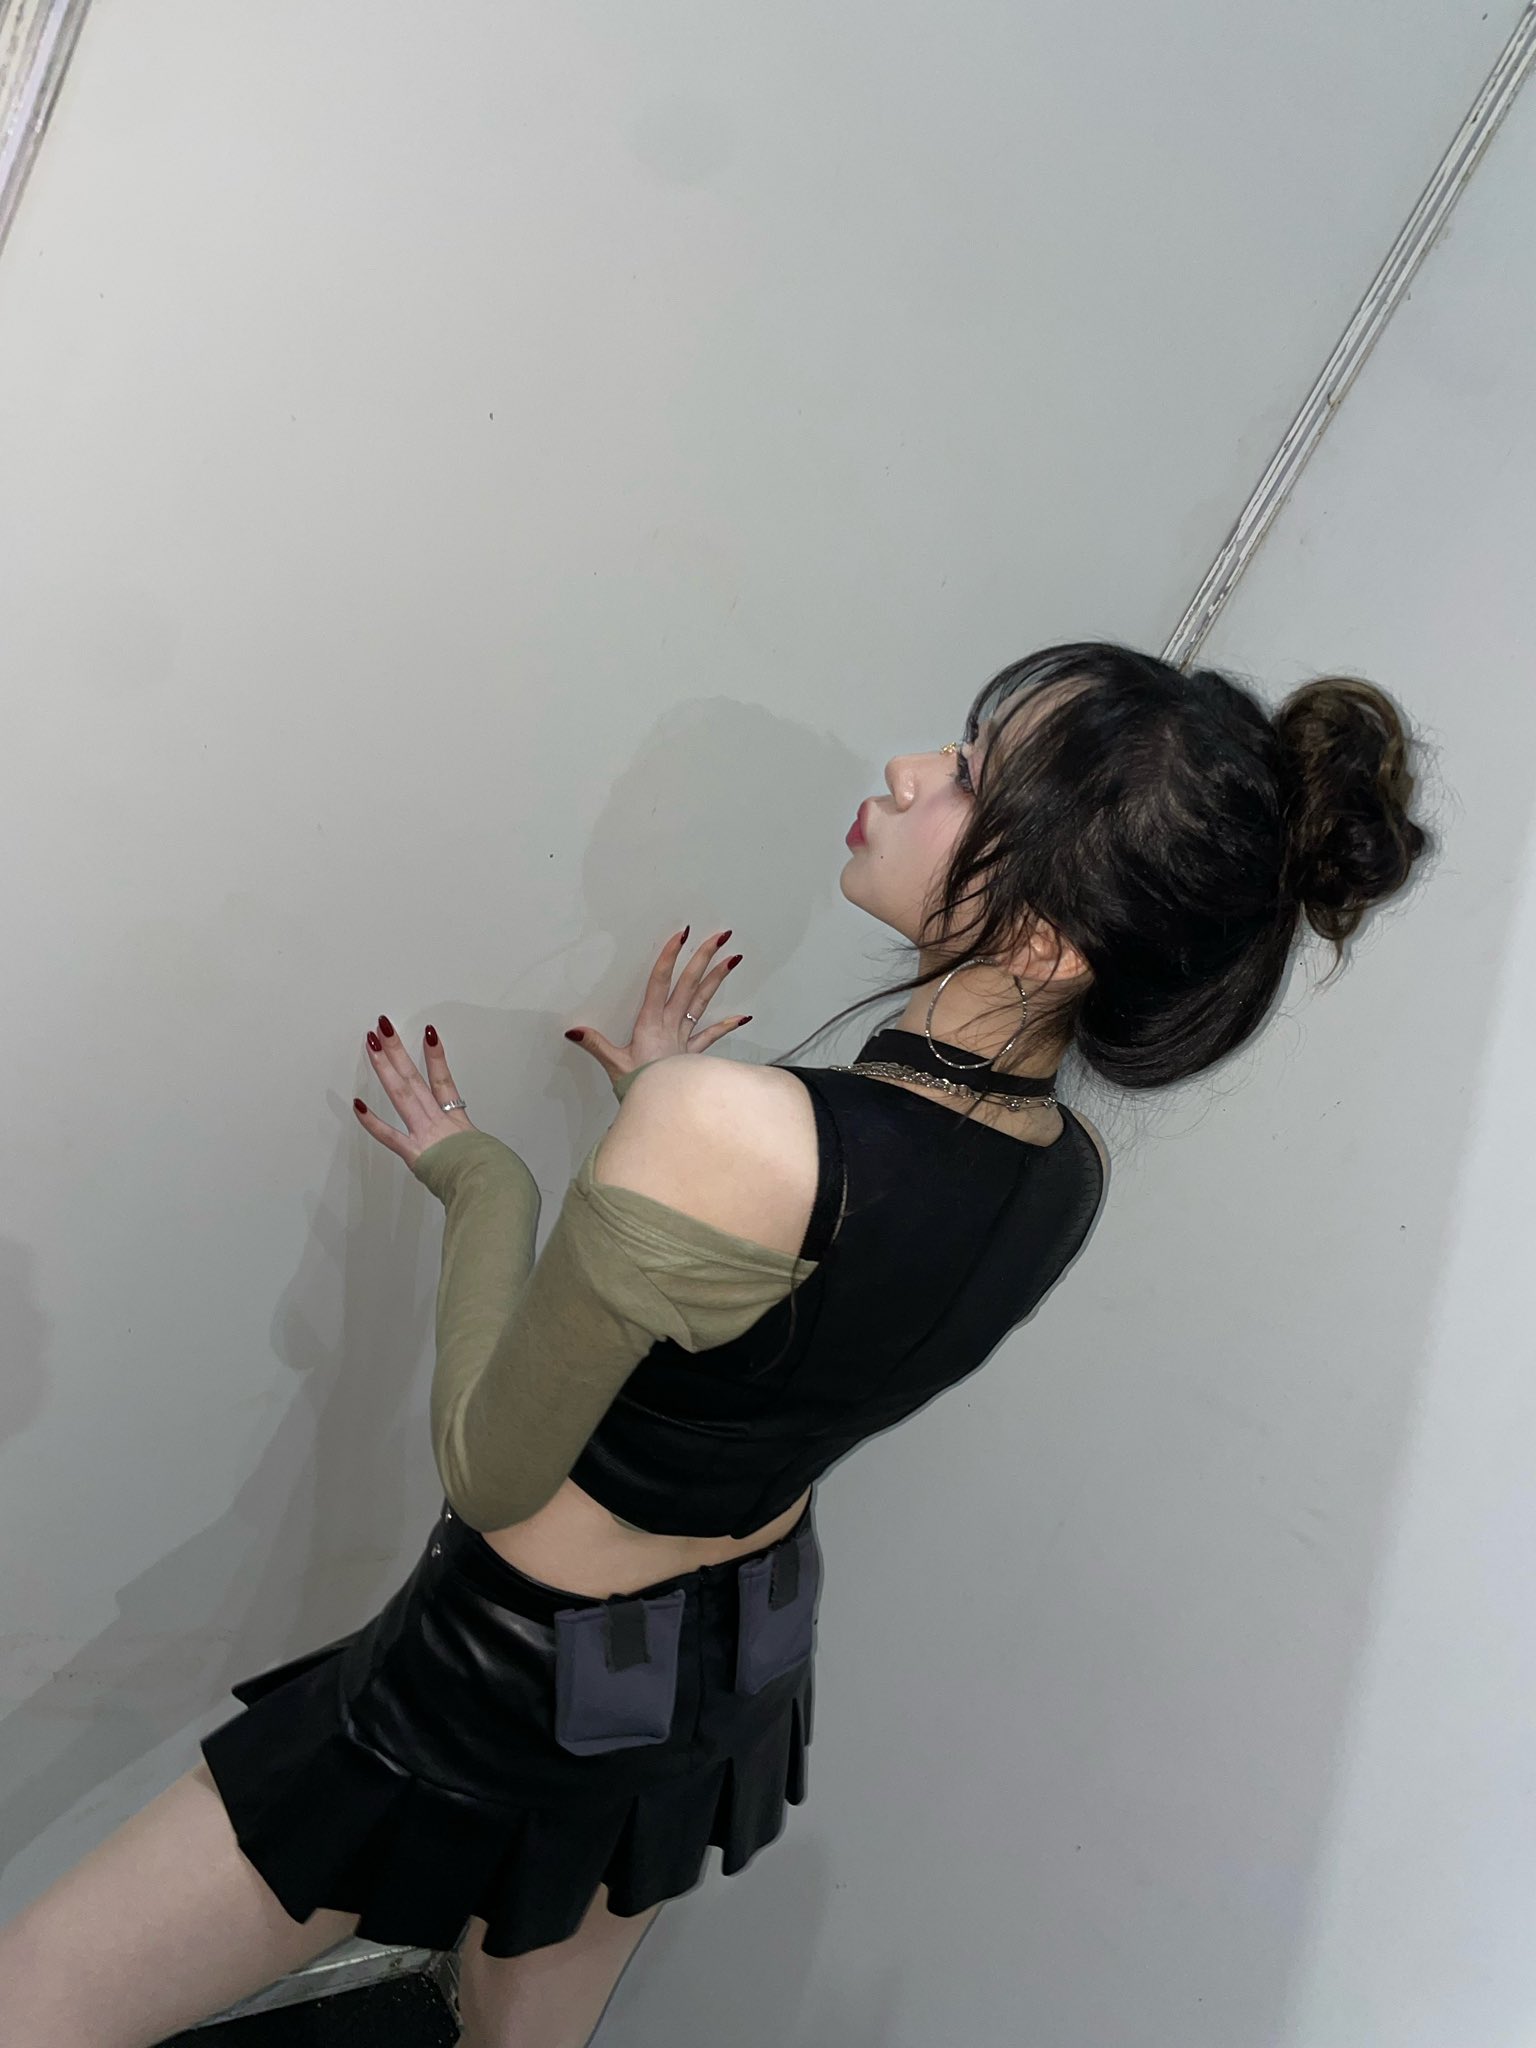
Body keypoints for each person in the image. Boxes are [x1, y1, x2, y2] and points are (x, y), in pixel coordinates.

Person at [0, 643, 1431, 2048]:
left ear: (1047, 942)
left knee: (40, 1996)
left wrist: (488, 1176)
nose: (906, 771)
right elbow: (805, 1309)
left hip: (507, 1679)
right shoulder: (1066, 1176)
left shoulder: (732, 1131)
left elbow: (491, 1467)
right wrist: (673, 1131)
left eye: (967, 777)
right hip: (723, 1669)